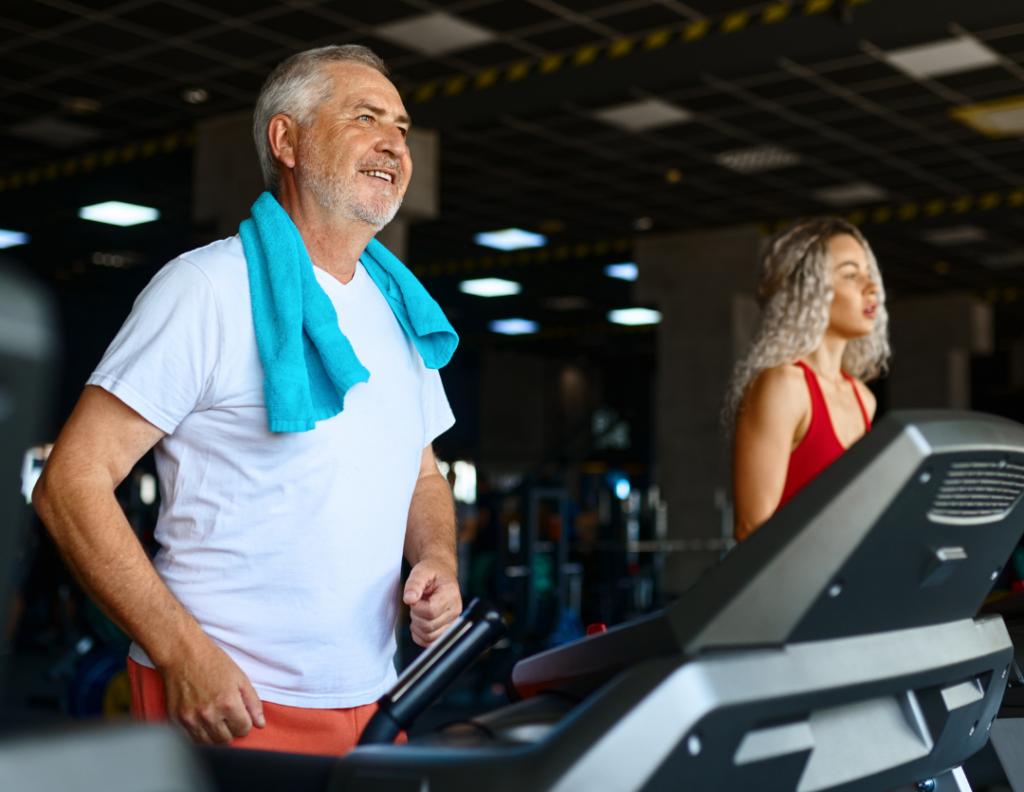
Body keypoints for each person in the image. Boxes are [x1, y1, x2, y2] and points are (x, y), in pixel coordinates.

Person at [32, 44, 462, 756]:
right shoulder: (205, 288)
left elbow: (419, 474)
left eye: (403, 127)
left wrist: (438, 560)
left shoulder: (397, 308)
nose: (394, 142)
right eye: (366, 117)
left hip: (376, 697)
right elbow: (70, 485)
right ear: (286, 140)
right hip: (226, 701)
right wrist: (180, 654)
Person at [726, 218, 890, 542]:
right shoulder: (784, 386)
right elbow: (751, 530)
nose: (872, 287)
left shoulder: (863, 399)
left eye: (869, 274)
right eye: (850, 275)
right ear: (809, 289)